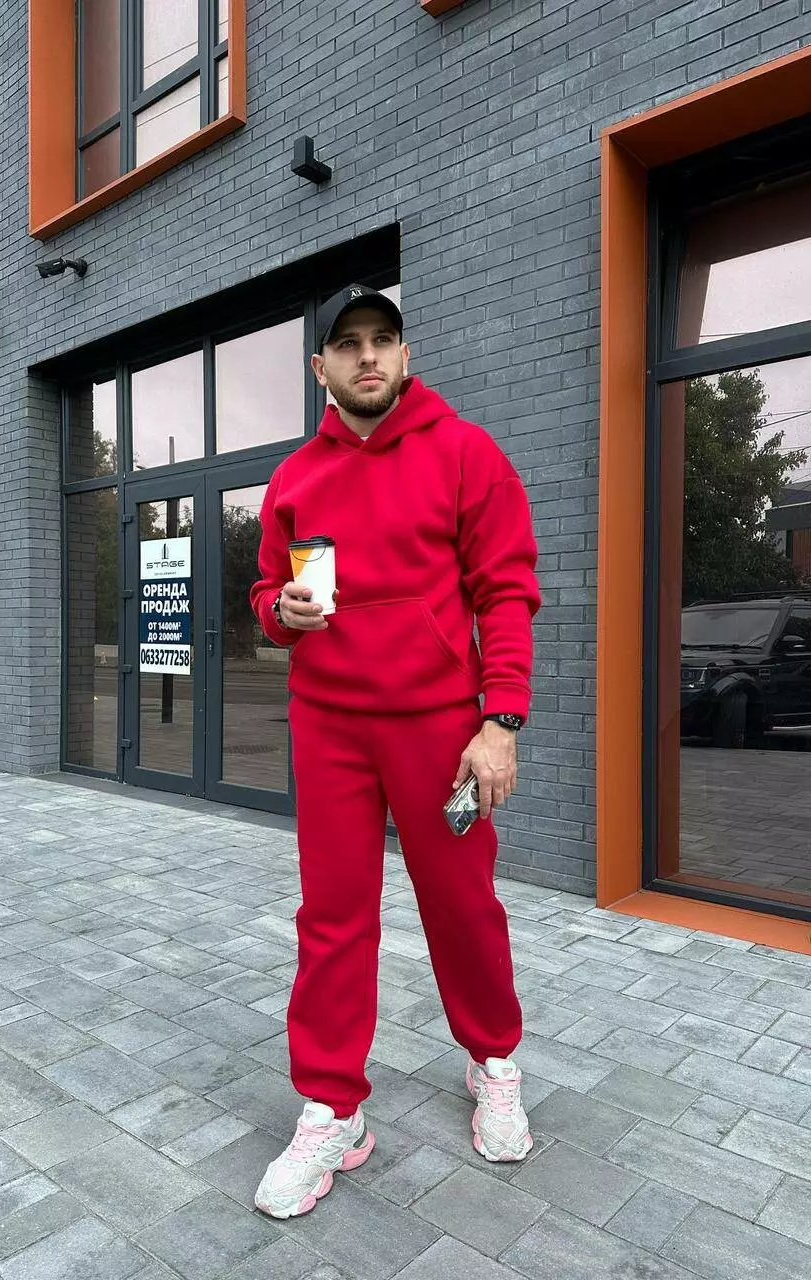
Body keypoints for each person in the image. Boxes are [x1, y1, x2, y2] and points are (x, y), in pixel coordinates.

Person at [248, 284, 541, 1219]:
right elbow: (266, 595)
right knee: (332, 917)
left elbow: (506, 590)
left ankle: (493, 1060)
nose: (367, 356)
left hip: (439, 727)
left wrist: (501, 721)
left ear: (406, 355)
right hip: (328, 725)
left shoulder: (466, 452)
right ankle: (333, 1109)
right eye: (348, 344)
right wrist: (280, 613)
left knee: (462, 906)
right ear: (320, 368)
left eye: (382, 339)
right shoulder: (295, 479)